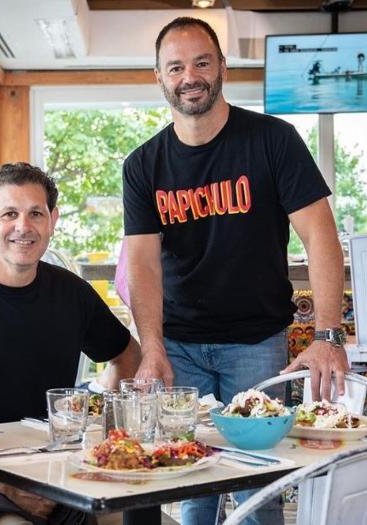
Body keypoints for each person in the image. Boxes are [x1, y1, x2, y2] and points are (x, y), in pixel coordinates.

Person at [121, 17, 347, 525]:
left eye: (201, 63)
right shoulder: (142, 165)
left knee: (258, 486)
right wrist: (152, 347)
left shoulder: (273, 140)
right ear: (159, 77)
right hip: (180, 345)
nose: (190, 77)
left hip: (256, 342)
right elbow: (142, 263)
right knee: (189, 479)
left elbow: (320, 237)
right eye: (175, 67)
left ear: (222, 67)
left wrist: (328, 334)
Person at [0, 162, 140, 524]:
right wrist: (6, 486)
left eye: (36, 213)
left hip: (54, 464)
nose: (24, 226)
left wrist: (94, 418)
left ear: (52, 220)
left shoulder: (71, 292)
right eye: (9, 214)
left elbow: (126, 355)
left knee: (144, 519)